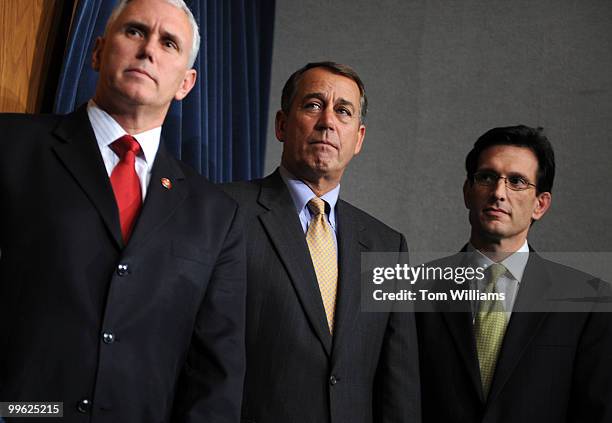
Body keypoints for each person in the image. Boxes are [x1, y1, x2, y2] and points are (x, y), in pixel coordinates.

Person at [0, 1, 245, 421]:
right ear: (97, 52)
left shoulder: (217, 215)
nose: (149, 49)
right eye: (134, 31)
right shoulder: (10, 147)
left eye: (169, 42)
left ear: (186, 83)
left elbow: (215, 373)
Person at [222, 62, 420, 423]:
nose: (328, 121)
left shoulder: (387, 246)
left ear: (358, 138)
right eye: (313, 105)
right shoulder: (225, 212)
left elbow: (398, 383)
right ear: (282, 124)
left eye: (343, 111)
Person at [416, 125, 612, 422]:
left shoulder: (590, 301)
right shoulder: (415, 290)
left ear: (540, 204)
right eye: (486, 177)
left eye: (517, 182)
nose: (498, 193)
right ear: (467, 192)